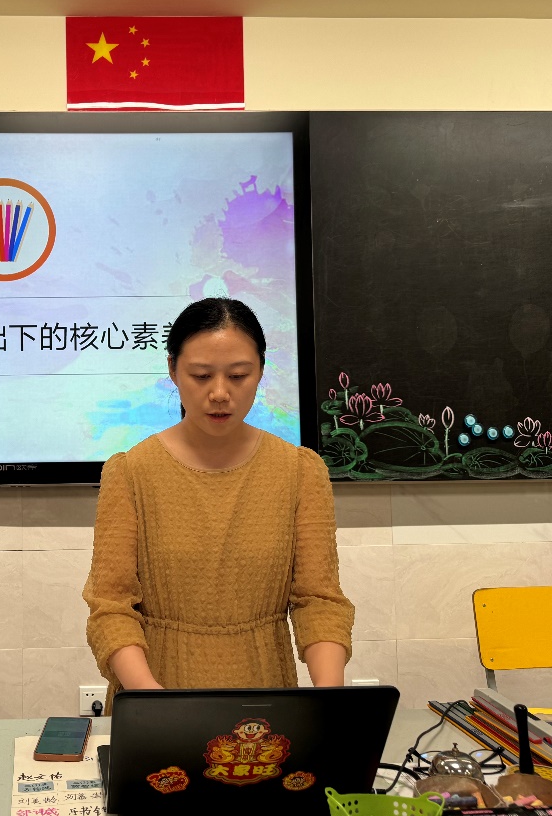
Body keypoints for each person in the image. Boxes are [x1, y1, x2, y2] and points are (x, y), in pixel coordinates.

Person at [82, 297, 353, 709]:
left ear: (260, 371)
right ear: (173, 370)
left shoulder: (299, 471)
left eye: (239, 375)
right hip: (156, 696)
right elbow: (111, 606)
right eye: (201, 375)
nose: (220, 393)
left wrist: (329, 701)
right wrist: (151, 698)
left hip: (266, 696)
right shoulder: (131, 472)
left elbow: (319, 601)